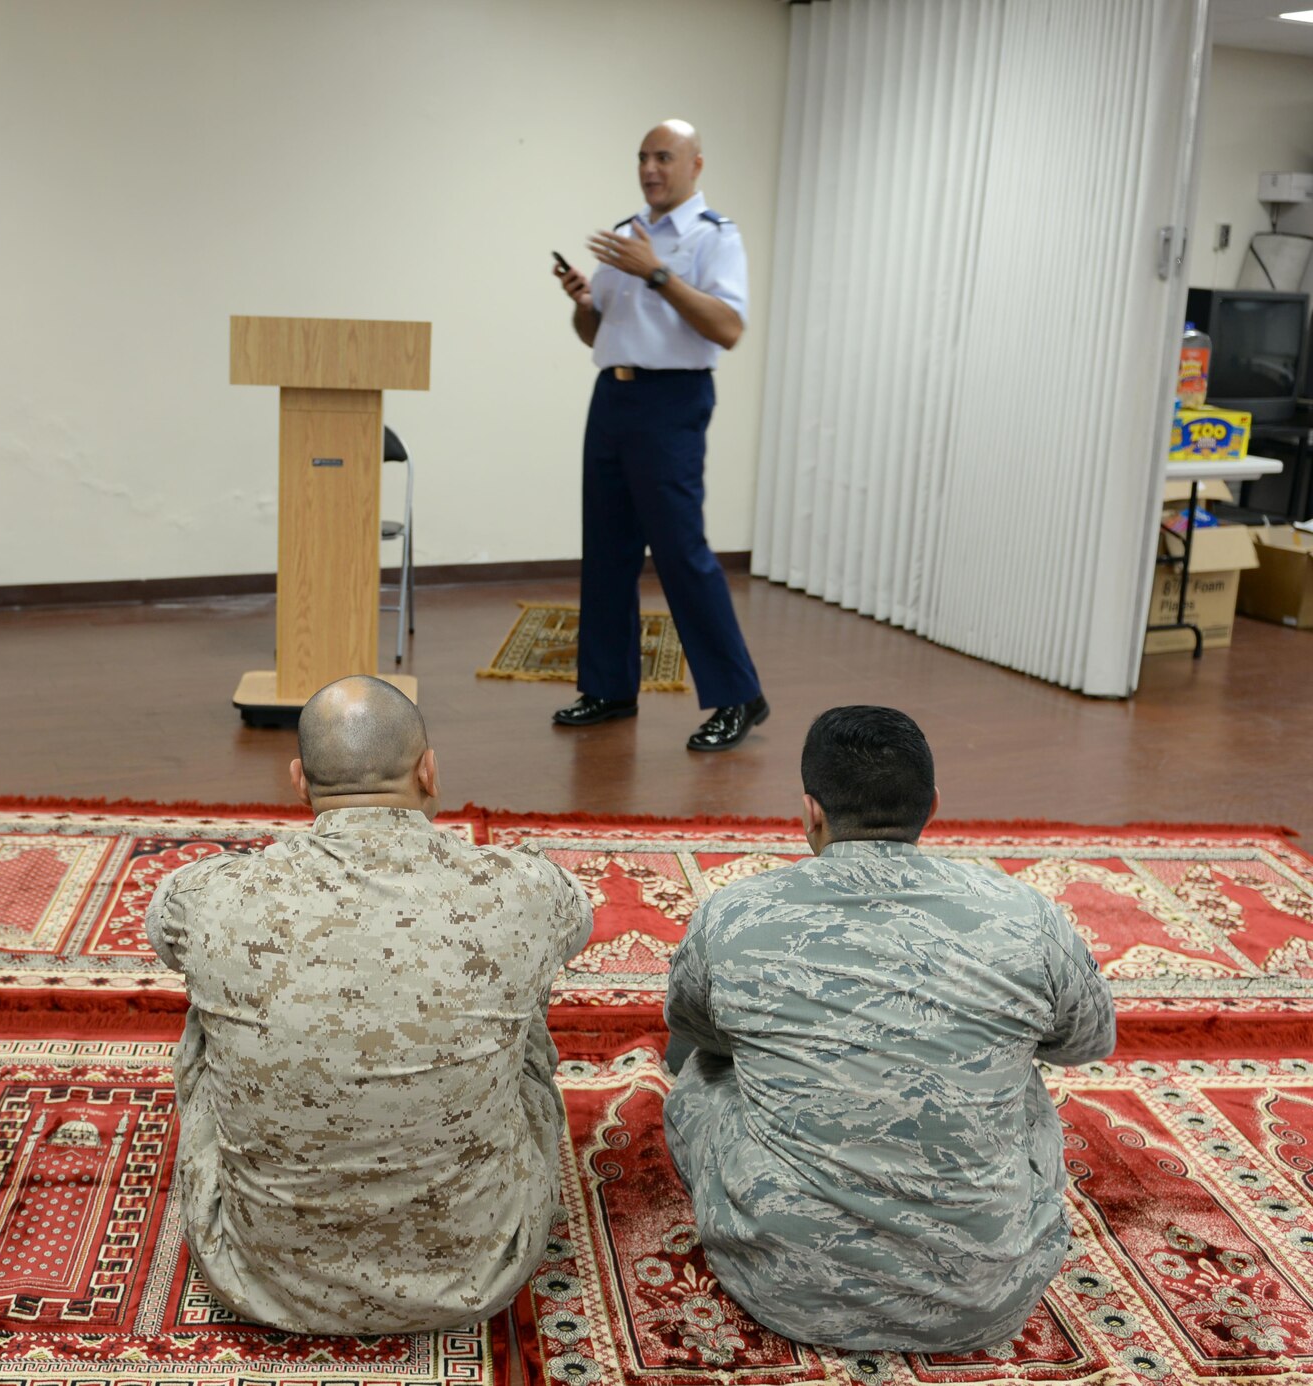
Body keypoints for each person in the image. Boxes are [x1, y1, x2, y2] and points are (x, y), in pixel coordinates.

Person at [146, 676, 593, 1333]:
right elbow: (577, 923)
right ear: (429, 772)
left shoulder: (210, 895)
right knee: (519, 968)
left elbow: (165, 935)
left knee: (217, 984)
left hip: (258, 1275)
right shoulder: (520, 887)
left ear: (299, 781)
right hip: (482, 1270)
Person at [661, 706, 1116, 1351]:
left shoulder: (735, 914)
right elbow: (1086, 1043)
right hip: (987, 1297)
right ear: (932, 806)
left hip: (789, 1289)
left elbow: (693, 1029)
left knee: (704, 1072)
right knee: (1021, 1080)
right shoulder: (1024, 915)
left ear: (810, 811)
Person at [551, 119, 767, 751]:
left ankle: (739, 696)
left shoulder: (713, 238)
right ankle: (609, 688)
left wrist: (657, 274)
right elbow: (599, 335)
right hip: (612, 396)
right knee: (608, 549)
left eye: (664, 157)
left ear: (695, 165)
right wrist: (583, 301)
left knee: (680, 553)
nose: (650, 168)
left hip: (672, 401)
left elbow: (728, 328)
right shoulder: (625, 236)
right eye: (643, 157)